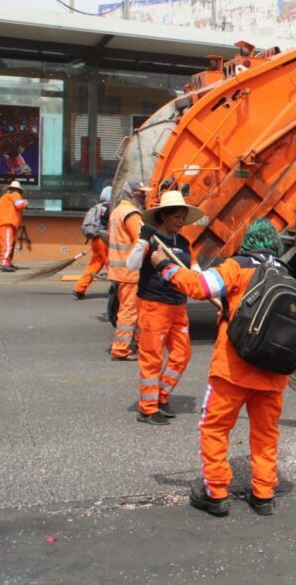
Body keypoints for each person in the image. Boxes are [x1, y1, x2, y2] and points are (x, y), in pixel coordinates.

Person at [149, 217, 289, 517]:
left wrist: (164, 265)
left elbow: (199, 287)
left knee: (214, 429)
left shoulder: (236, 267)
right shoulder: (286, 275)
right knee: (265, 434)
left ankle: (216, 493)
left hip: (233, 370)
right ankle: (264, 494)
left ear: (248, 242)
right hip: (273, 373)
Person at [125, 191, 202, 425]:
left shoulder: (184, 243)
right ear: (164, 216)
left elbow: (194, 269)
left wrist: (204, 283)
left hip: (178, 305)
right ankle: (147, 408)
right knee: (152, 357)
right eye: (177, 217)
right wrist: (141, 240)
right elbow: (131, 265)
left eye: (183, 217)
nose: (180, 221)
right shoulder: (151, 240)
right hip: (153, 304)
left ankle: (161, 395)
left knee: (182, 354)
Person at [106, 180, 150, 361]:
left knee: (135, 310)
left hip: (121, 269)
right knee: (130, 311)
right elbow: (141, 242)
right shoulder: (132, 214)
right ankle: (120, 348)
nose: (144, 196)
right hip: (130, 271)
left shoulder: (118, 211)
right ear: (132, 194)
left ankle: (140, 344)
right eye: (140, 193)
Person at [73, 186, 112, 299]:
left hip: (95, 240)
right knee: (112, 265)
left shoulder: (96, 207)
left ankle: (79, 288)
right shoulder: (109, 207)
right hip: (104, 240)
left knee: (94, 265)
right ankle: (118, 290)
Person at [0, 180, 28, 272]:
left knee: (6, 244)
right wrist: (25, 202)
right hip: (7, 223)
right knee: (7, 245)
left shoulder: (4, 197)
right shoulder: (15, 194)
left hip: (2, 223)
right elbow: (19, 204)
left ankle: (7, 262)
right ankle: (4, 263)